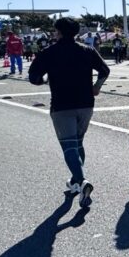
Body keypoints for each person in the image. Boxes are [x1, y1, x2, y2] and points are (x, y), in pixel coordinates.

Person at [28, 17, 110, 205]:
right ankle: (74, 181)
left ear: (59, 32)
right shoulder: (87, 50)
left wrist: (45, 80)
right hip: (86, 104)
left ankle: (83, 182)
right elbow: (104, 70)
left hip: (62, 105)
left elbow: (33, 77)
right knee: (78, 143)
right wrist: (97, 86)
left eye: (55, 31)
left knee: (69, 146)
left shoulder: (49, 52)